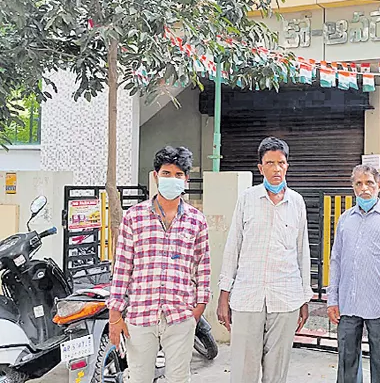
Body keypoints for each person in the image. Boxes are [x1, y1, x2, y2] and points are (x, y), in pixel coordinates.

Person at [107, 146, 211, 383]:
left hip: (180, 316)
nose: (171, 179)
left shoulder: (196, 220)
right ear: (156, 176)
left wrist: (199, 307)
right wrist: (115, 315)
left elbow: (203, 266)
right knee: (139, 378)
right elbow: (122, 268)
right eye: (166, 173)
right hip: (141, 315)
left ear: (186, 179)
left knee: (178, 379)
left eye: (178, 175)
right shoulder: (134, 217)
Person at [217, 137, 312, 383]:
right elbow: (233, 247)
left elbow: (302, 252)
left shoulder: (297, 203)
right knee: (243, 372)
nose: (276, 168)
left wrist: (304, 298)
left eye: (281, 162)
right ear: (260, 168)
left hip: (286, 297)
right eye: (270, 162)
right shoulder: (247, 199)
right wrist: (224, 295)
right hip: (248, 297)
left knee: (276, 372)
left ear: (287, 165)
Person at [327, 164, 380, 383]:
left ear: (379, 186)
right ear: (353, 187)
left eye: (369, 183)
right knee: (347, 364)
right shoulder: (345, 220)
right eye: (359, 183)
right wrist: (332, 299)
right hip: (348, 304)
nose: (364, 188)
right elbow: (335, 260)